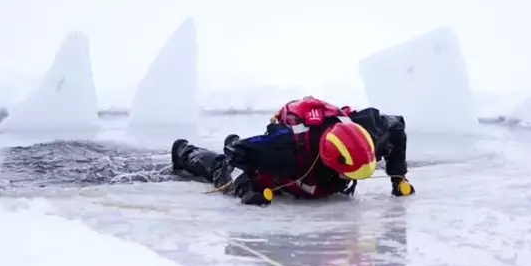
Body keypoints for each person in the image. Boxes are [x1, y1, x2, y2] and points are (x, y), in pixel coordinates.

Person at [170, 96, 415, 205]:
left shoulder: (372, 131)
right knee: (225, 170)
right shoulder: (285, 150)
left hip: (319, 143)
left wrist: (398, 177)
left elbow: (397, 129)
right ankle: (184, 151)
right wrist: (246, 189)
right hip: (280, 147)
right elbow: (236, 155)